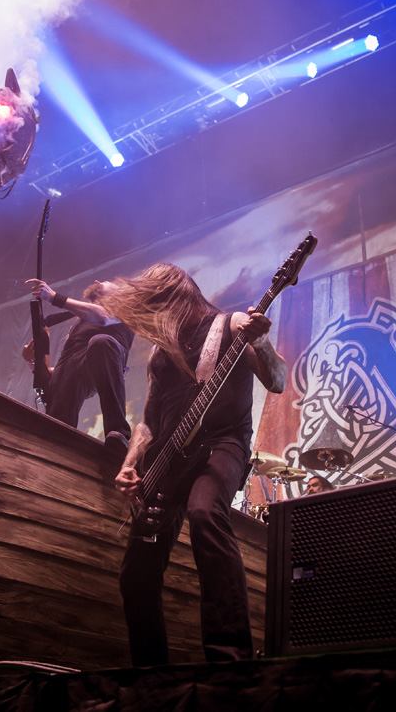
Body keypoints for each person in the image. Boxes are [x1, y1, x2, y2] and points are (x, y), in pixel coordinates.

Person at [101, 263, 287, 666]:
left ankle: (229, 658)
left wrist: (264, 344)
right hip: (168, 461)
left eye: (155, 306)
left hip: (223, 443)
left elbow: (278, 381)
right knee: (136, 573)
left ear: (175, 299)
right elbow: (149, 421)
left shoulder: (233, 325)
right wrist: (131, 464)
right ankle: (151, 672)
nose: (151, 318)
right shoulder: (159, 354)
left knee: (204, 512)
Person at [24, 278, 134, 454]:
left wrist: (54, 297)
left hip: (103, 357)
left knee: (100, 342)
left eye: (106, 282)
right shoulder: (78, 323)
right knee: (63, 377)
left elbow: (102, 318)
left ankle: (118, 432)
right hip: (75, 367)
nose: (98, 281)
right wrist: (35, 364)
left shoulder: (123, 309)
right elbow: (58, 373)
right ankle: (57, 447)